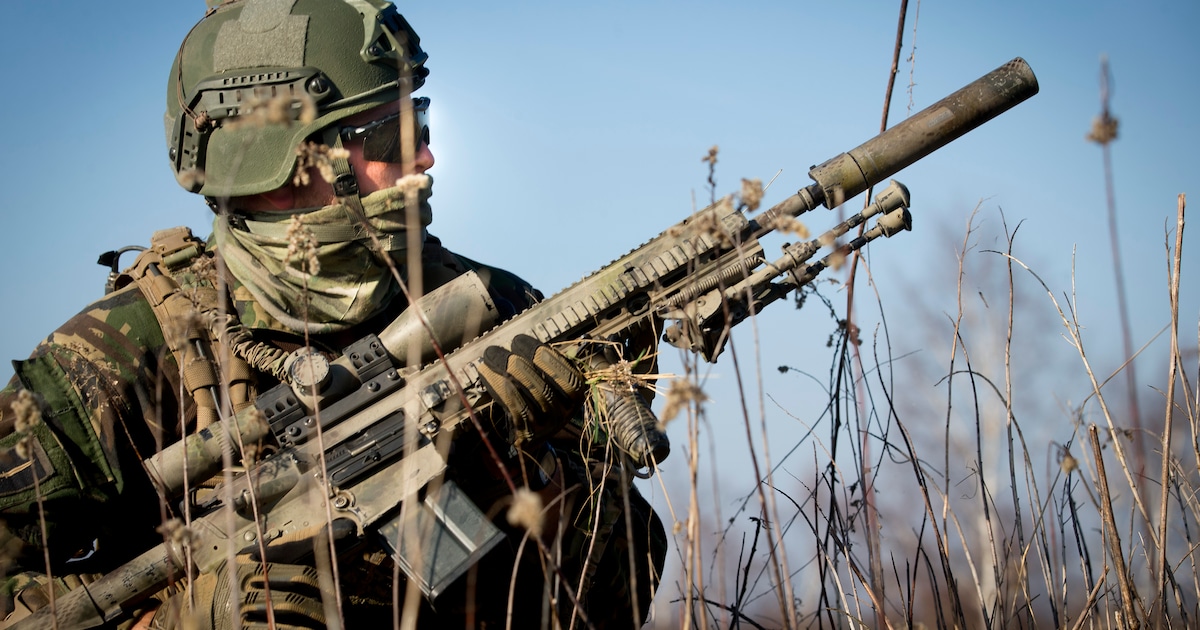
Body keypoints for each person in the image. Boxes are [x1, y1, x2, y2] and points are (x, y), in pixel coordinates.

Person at [0, 0, 665, 627]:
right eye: (390, 135)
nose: (425, 156)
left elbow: (620, 600)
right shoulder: (113, 357)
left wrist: (536, 483)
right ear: (280, 161)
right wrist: (198, 614)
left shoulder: (492, 309)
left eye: (420, 123)